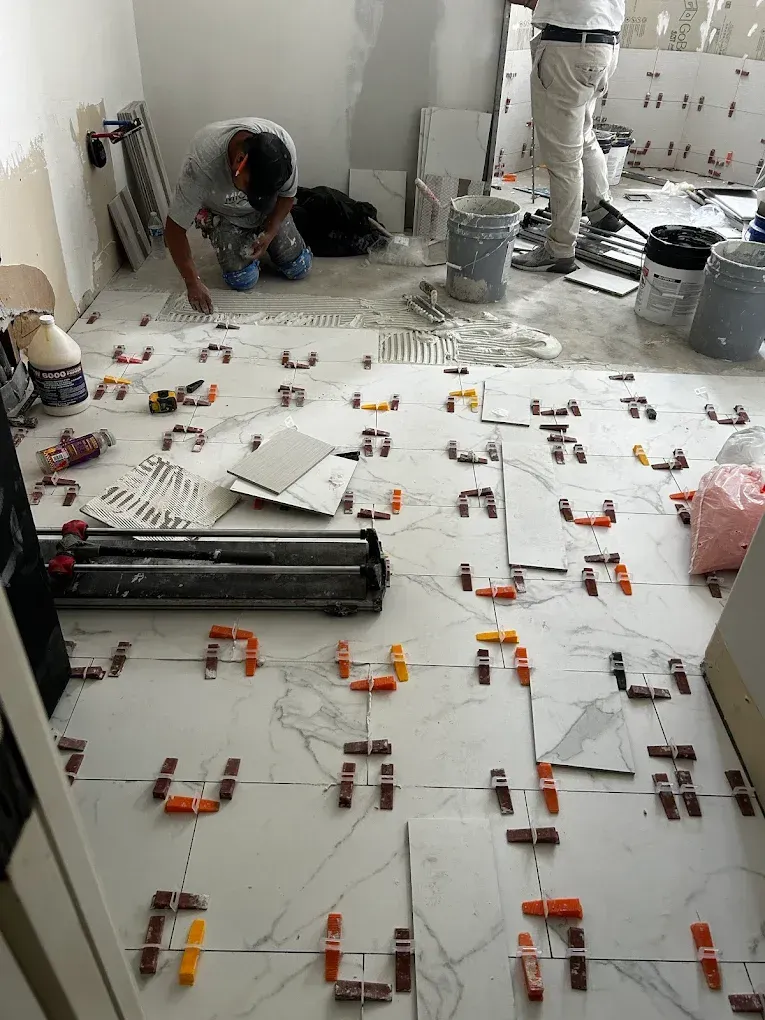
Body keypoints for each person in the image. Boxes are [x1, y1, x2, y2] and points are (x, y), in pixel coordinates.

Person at [511, 0, 626, 274]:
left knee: (563, 159)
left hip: (570, 46)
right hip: (604, 44)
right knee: (583, 136)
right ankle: (602, 212)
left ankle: (559, 250)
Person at [165, 119, 313, 313]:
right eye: (250, 189)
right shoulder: (201, 166)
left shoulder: (283, 149)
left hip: (266, 211)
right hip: (225, 213)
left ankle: (267, 246)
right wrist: (192, 282)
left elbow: (287, 196)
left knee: (299, 268)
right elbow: (174, 230)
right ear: (239, 160)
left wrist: (270, 232)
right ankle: (217, 228)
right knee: (242, 281)